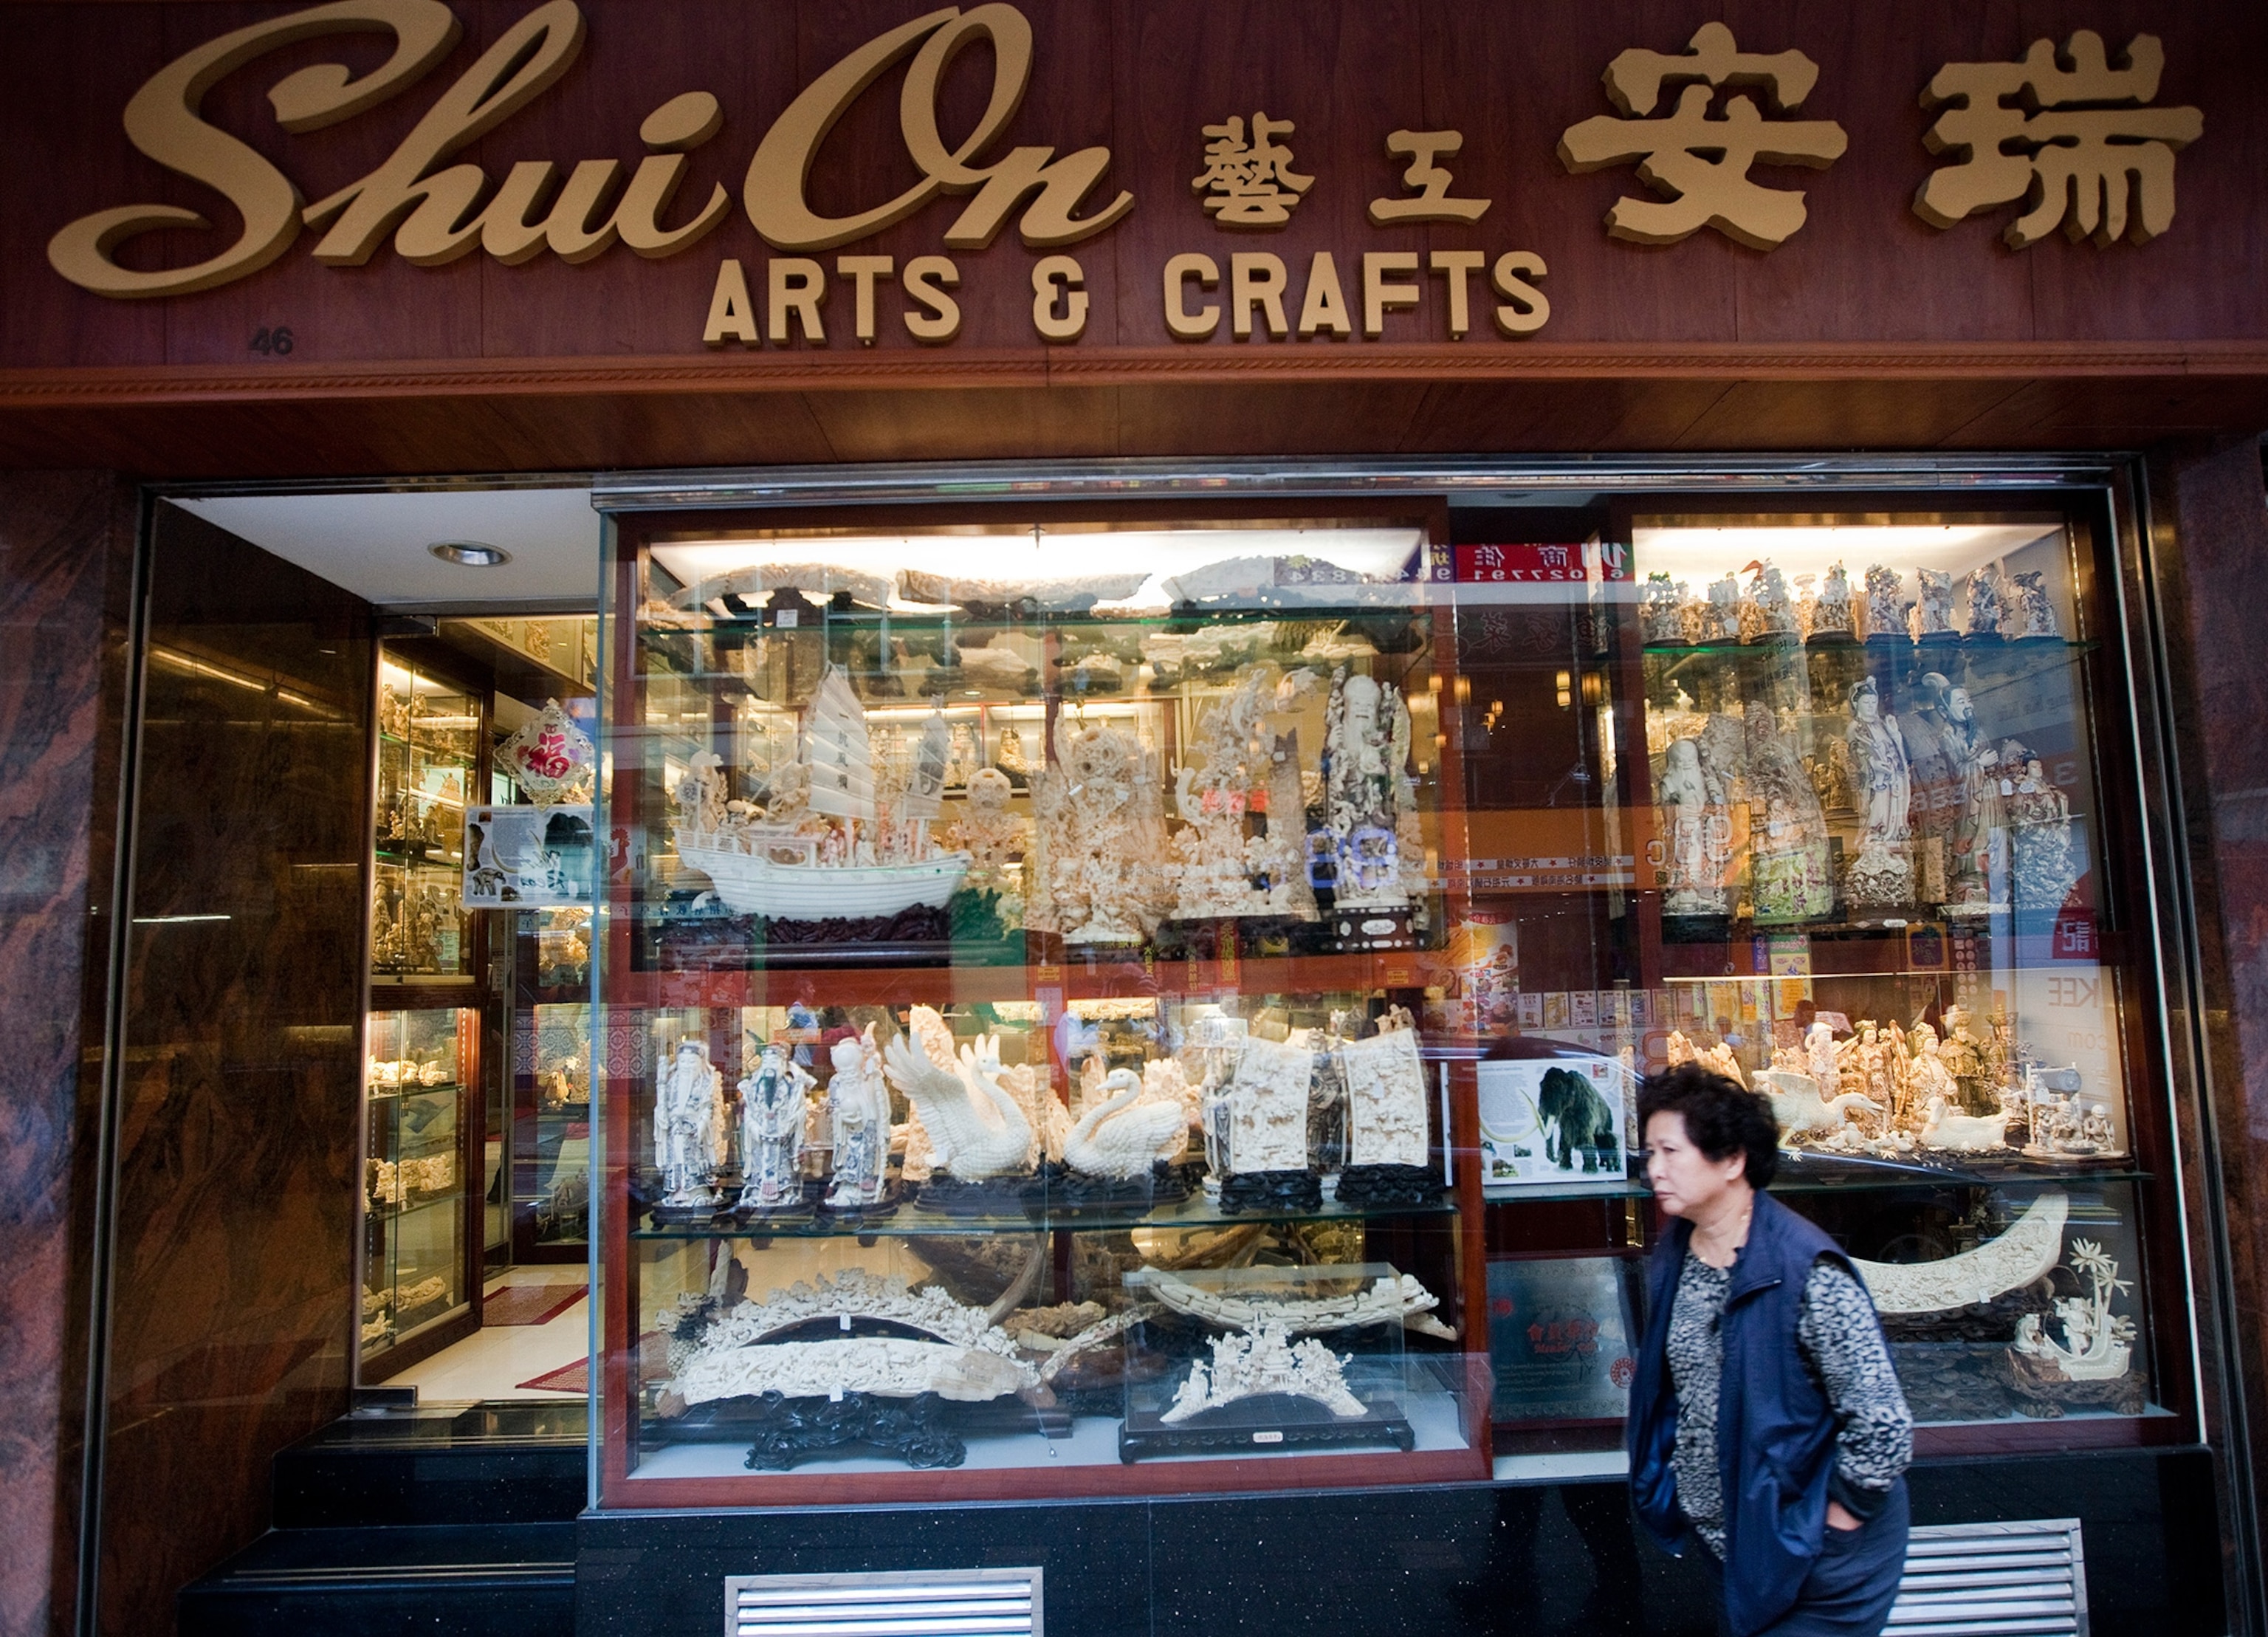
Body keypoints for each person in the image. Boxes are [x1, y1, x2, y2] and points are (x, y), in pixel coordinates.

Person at [1626, 1063, 1913, 1636]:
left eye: (1670, 1151)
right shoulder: (1677, 1250)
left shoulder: (1806, 1271)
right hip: (1741, 1549)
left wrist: (1822, 1530)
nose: (1654, 1169)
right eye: (1649, 1152)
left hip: (1818, 1567)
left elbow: (1884, 1428)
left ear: (1732, 1159)